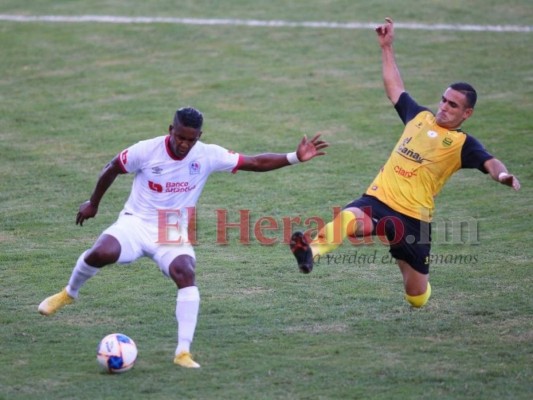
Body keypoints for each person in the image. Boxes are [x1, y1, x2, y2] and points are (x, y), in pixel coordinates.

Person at [38, 106, 328, 368]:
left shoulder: (207, 155)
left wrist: (294, 158)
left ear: (199, 136)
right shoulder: (146, 150)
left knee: (185, 273)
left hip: (171, 230)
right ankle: (68, 294)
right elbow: (112, 167)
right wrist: (93, 203)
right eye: (180, 137)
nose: (184, 144)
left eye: (191, 139)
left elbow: (253, 162)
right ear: (170, 130)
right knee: (100, 253)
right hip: (135, 223)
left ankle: (182, 352)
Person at [289, 17, 521, 308]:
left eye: (453, 105)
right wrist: (387, 47)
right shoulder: (418, 117)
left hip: (413, 220)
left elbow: (491, 162)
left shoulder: (463, 145)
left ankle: (413, 279)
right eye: (443, 100)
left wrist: (504, 177)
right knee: (348, 218)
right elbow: (394, 87)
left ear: (467, 113)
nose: (444, 107)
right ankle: (310, 252)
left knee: (416, 298)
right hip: (378, 201)